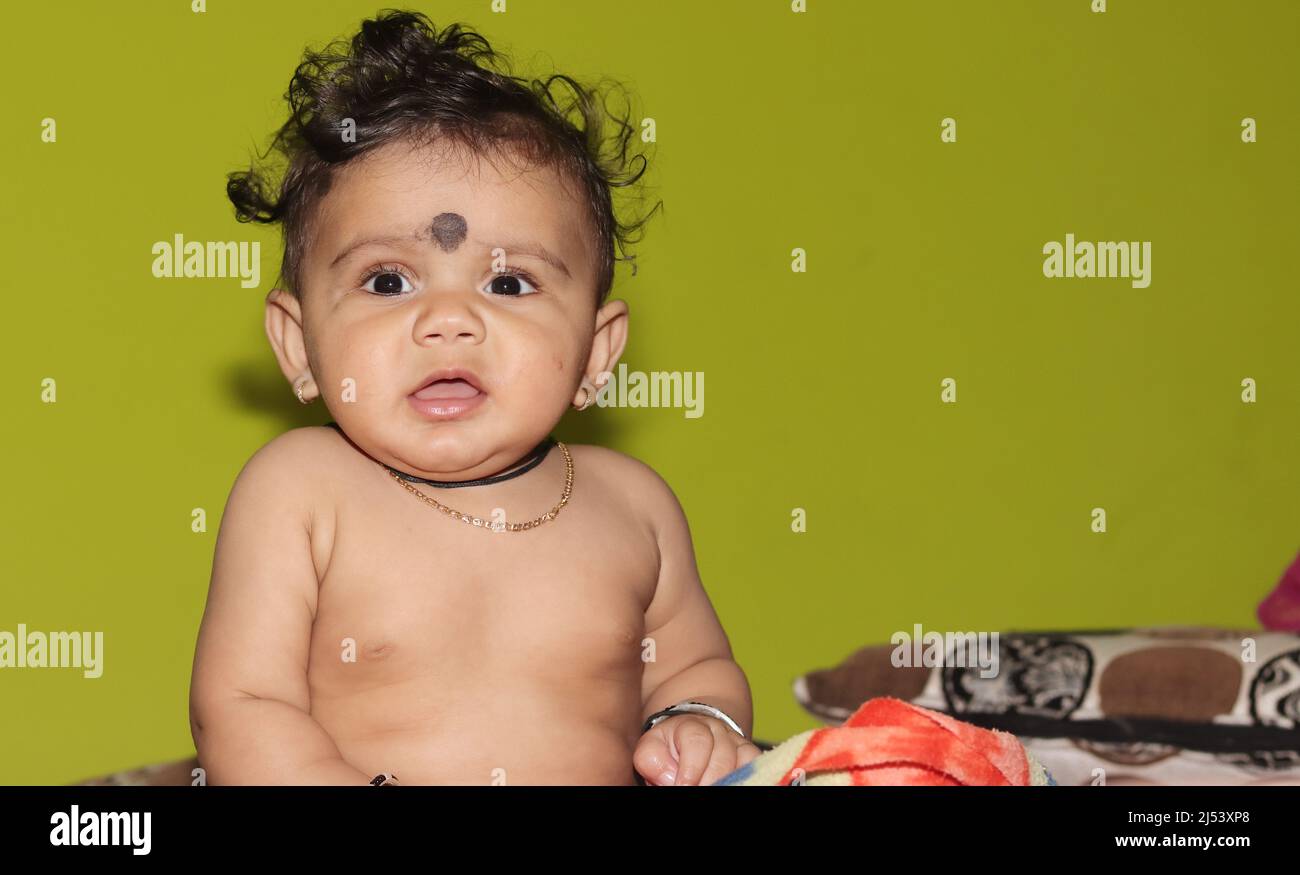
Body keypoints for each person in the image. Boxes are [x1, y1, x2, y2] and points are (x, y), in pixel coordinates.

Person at [188, 9, 758, 786]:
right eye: (388, 281)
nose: (450, 320)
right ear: (298, 345)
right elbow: (245, 704)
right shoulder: (301, 489)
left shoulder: (633, 507)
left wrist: (696, 724)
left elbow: (695, 667)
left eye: (508, 281)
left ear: (596, 352)